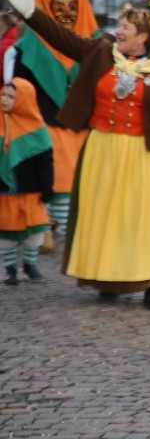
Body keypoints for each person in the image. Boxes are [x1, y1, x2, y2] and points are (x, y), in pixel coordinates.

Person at [4, 0, 150, 309]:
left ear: (143, 37)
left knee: (147, 220)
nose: (118, 32)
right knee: (104, 217)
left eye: (126, 28)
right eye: (119, 26)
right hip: (103, 149)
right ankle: (107, 278)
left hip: (146, 155)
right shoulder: (101, 52)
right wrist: (31, 14)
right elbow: (61, 39)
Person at [10, 0, 95, 249]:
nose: (66, 14)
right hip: (48, 124)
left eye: (72, 6)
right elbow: (20, 87)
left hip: (84, 125)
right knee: (54, 177)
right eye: (58, 7)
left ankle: (65, 229)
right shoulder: (29, 46)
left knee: (76, 181)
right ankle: (49, 226)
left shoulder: (94, 40)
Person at [0, 79, 53, 285]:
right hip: (4, 192)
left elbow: (45, 163)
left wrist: (46, 187)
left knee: (35, 230)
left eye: (11, 96)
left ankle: (30, 265)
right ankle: (10, 269)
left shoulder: (36, 128)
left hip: (31, 191)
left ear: (24, 99)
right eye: (3, 94)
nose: (4, 99)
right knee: (6, 232)